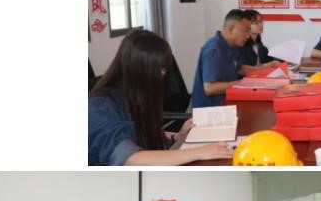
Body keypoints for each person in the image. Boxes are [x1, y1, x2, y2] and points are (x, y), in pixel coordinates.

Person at [89, 29, 232, 165]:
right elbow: (130, 159)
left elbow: (143, 136)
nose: (163, 75)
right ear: (139, 67)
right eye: (159, 69)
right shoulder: (100, 107)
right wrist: (200, 152)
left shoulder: (136, 95)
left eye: (164, 69)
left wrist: (177, 136)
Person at [192, 9, 266, 108]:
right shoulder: (214, 49)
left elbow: (240, 68)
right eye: (246, 31)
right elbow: (209, 88)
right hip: (210, 109)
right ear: (231, 29)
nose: (248, 36)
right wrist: (242, 84)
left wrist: (264, 70)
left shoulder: (231, 46)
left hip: (226, 102)